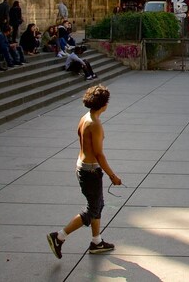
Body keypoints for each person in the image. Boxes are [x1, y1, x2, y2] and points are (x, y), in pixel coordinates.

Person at [46, 85, 122, 259]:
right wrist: (112, 176)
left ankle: (96, 241)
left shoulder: (85, 118)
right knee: (92, 209)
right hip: (90, 171)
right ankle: (59, 237)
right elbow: (99, 154)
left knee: (98, 205)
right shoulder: (94, 124)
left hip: (84, 167)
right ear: (104, 104)